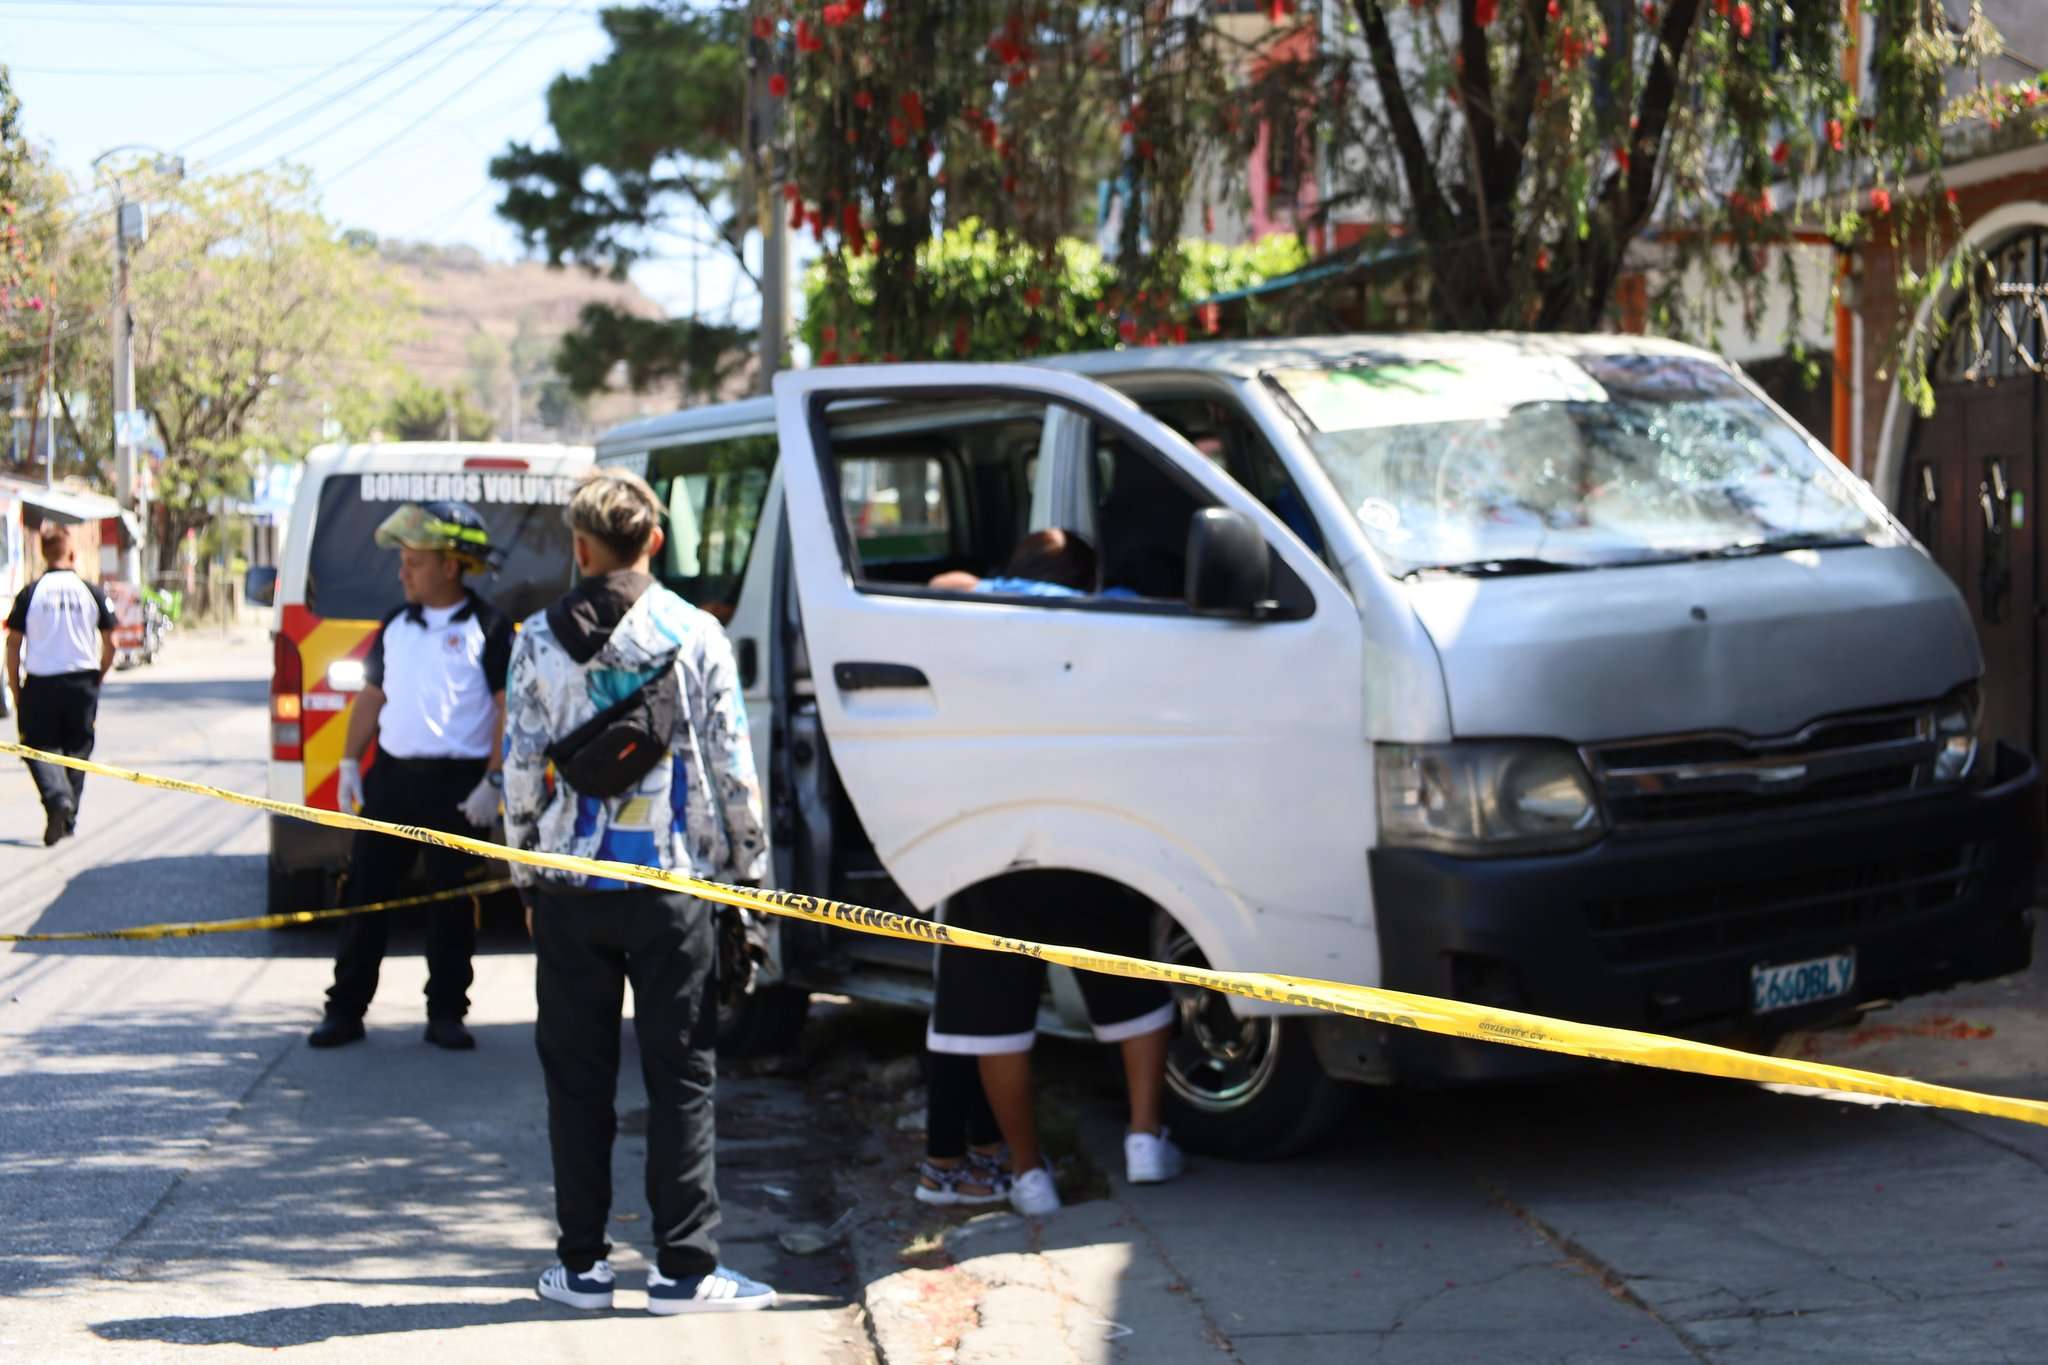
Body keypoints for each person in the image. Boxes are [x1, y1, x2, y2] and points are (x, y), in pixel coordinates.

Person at [502, 467, 776, 1316]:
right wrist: (751, 883)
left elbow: (518, 769)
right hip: (675, 890)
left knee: (576, 1077)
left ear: (579, 548)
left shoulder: (537, 640)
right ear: (654, 540)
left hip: (571, 892)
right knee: (681, 1072)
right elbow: (733, 768)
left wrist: (525, 869)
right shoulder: (696, 634)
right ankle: (684, 1272)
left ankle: (582, 1267)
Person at [923, 527, 1182, 1215]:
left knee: (995, 1013)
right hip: (1095, 830)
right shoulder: (1114, 612)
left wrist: (1003, 586)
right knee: (1134, 985)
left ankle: (1029, 1173)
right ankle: (1145, 1136)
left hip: (992, 837)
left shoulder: (978, 611)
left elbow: (942, 587)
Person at [307, 501, 511, 1052]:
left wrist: (493, 780)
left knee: (452, 904)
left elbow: (505, 708)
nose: (402, 572)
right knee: (365, 897)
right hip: (392, 780)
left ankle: (446, 1012)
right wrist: (350, 761)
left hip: (459, 787)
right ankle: (345, 1010)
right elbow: (373, 696)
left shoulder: (489, 628)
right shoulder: (395, 625)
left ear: (450, 565)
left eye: (414, 562)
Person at [5, 522, 116, 846]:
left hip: (40, 683)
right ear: (71, 553)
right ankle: (68, 817)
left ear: (43, 555)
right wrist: (98, 676)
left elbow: (13, 645)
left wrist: (16, 687)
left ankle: (56, 800)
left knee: (38, 748)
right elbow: (112, 644)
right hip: (82, 682)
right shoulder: (91, 592)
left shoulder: (30, 592)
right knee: (77, 751)